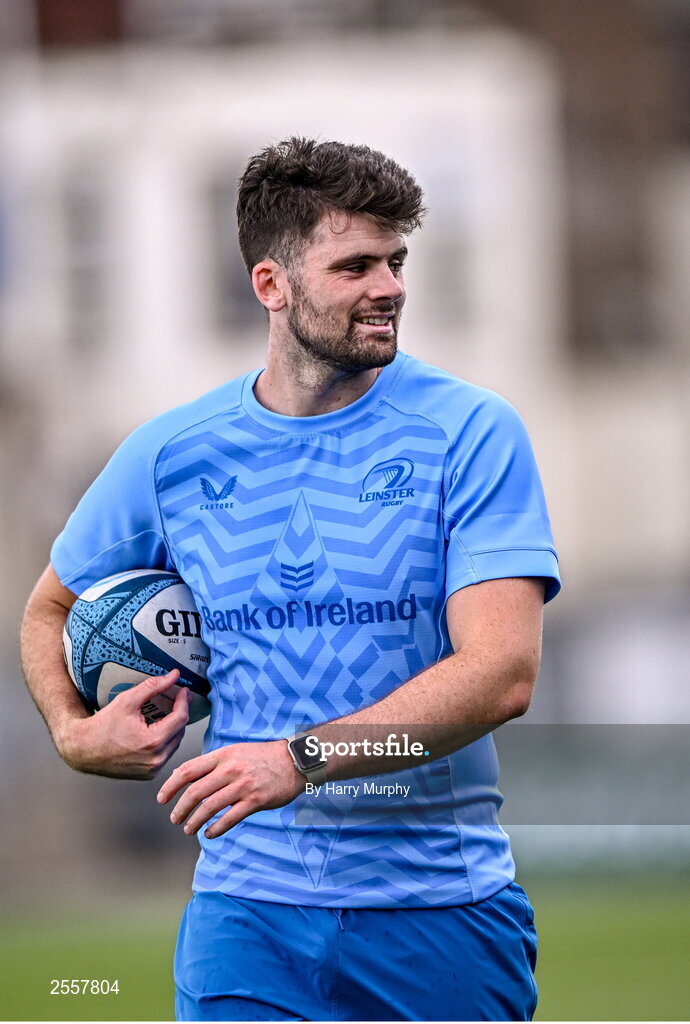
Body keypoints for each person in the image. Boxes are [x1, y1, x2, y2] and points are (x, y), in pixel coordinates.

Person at [21, 137, 560, 1022]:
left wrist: (299, 762)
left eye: (396, 262)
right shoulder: (172, 454)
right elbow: (50, 607)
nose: (388, 287)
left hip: (440, 916)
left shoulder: (470, 432)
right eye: (355, 265)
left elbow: (502, 673)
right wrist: (74, 734)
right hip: (247, 916)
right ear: (272, 285)